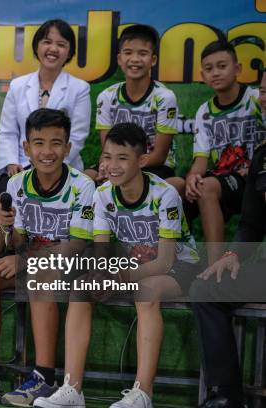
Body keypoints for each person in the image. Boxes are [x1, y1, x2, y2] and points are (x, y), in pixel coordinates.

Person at [34, 123, 199, 408]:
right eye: (107, 157)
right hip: (130, 267)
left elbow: (165, 260)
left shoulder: (165, 195)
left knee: (145, 291)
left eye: (122, 158)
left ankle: (143, 393)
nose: (111, 165)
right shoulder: (102, 195)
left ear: (142, 160)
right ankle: (72, 389)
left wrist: (122, 275)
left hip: (178, 266)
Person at [0, 108, 94, 406]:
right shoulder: (16, 184)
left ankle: (45, 377)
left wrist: (25, 261)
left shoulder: (83, 186)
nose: (46, 151)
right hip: (36, 260)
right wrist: (9, 230)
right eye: (38, 143)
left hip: (72, 265)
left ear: (67, 148)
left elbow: (77, 246)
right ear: (26, 147)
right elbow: (21, 244)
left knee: (40, 273)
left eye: (55, 143)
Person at [189, 68, 266, 408]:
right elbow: (250, 223)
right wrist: (232, 255)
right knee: (207, 287)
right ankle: (225, 396)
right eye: (264, 91)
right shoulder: (262, 154)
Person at [0, 18, 90, 261]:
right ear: (37, 47)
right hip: (20, 165)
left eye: (61, 44)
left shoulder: (79, 88)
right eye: (47, 42)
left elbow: (78, 136)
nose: (53, 49)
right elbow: (8, 130)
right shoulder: (18, 85)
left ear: (69, 52)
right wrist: (12, 161)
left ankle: (39, 257)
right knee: (2, 198)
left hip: (61, 167)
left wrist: (45, 162)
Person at [185, 40, 265, 265]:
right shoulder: (205, 111)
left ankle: (214, 270)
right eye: (209, 69)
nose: (216, 73)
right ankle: (184, 263)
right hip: (224, 181)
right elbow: (201, 159)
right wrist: (192, 176)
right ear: (202, 74)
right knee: (186, 187)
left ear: (238, 69)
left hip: (255, 178)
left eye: (222, 66)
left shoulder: (256, 100)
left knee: (207, 186)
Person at [90, 24, 184, 194]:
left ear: (153, 60)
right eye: (128, 53)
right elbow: (107, 149)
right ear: (119, 59)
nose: (134, 59)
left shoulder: (164, 97)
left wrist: (122, 169)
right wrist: (106, 165)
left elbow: (160, 155)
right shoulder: (107, 96)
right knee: (85, 179)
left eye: (142, 53)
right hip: (115, 162)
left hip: (154, 166)